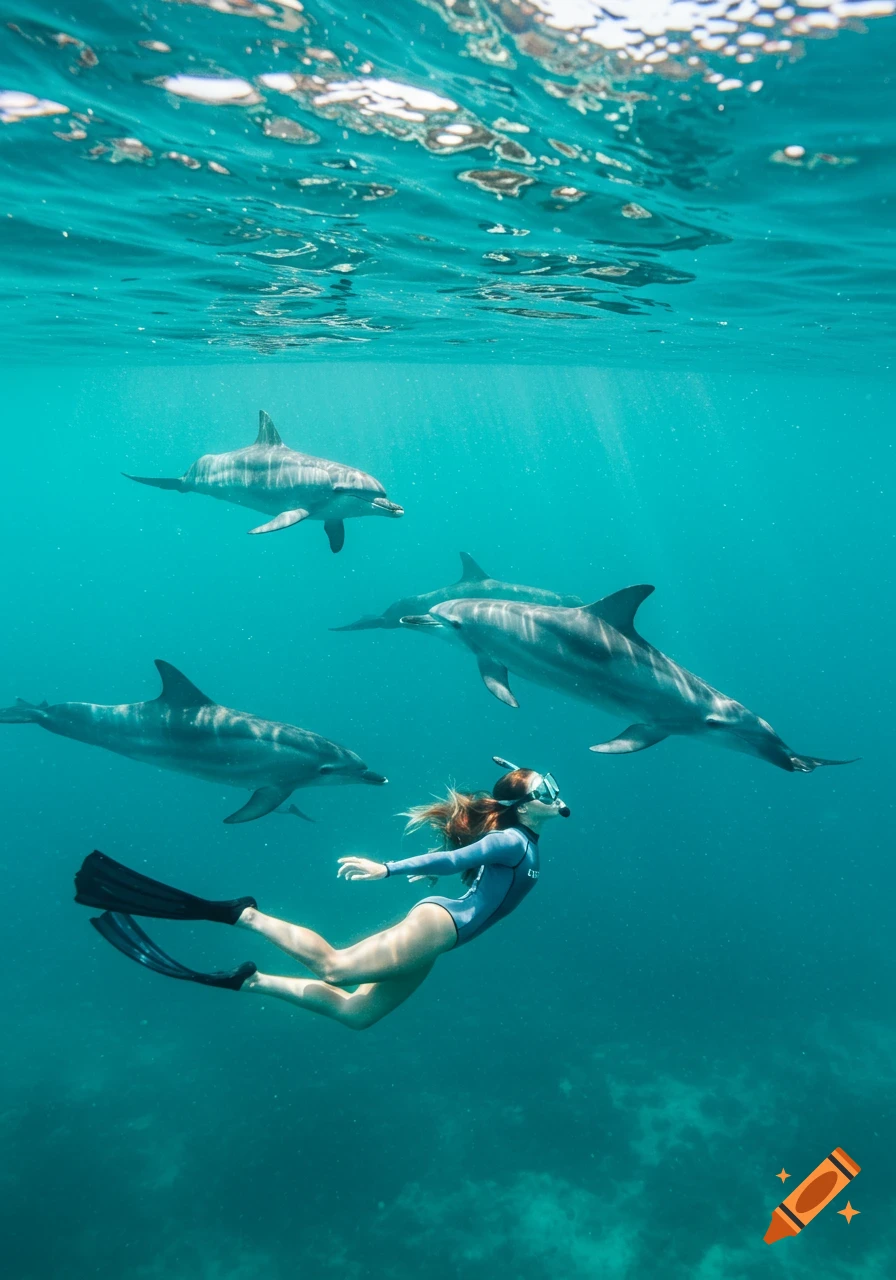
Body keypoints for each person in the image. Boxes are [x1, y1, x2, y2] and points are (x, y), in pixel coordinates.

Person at [73, 759, 570, 1031]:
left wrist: (441, 878)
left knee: (359, 1014)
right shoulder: (510, 839)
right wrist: (389, 869)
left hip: (445, 935)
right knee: (336, 968)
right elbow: (457, 859)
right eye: (542, 791)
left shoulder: (519, 838)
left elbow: (475, 869)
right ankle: (242, 915)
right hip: (440, 927)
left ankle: (251, 982)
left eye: (550, 788)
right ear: (524, 807)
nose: (553, 796)